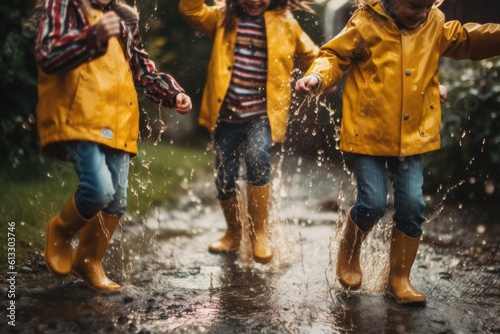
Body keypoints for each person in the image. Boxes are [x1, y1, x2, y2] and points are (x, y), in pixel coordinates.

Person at [295, 0, 500, 304]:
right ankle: (349, 251)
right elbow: (334, 55)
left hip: (412, 135)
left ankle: (399, 279)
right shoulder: (365, 23)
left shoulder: (432, 23)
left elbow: (466, 39)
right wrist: (319, 76)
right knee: (373, 202)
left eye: (427, 7)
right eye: (414, 7)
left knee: (412, 206)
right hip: (369, 134)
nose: (420, 14)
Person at [35, 0, 192, 292]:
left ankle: (89, 259)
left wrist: (173, 93)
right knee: (98, 189)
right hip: (81, 115)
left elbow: (141, 72)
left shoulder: (124, 19)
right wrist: (92, 36)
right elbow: (48, 54)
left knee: (116, 201)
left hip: (120, 121)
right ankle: (60, 229)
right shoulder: (65, 6)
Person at [179, 0, 319, 263]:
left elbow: (314, 55)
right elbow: (191, 10)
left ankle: (260, 233)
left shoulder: (285, 22)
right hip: (226, 116)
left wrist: (319, 78)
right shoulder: (222, 17)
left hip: (260, 116)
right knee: (225, 174)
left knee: (257, 156)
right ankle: (234, 233)